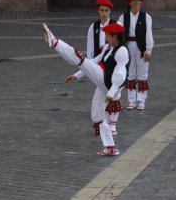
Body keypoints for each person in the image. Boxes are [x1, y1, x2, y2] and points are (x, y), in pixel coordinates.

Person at [43, 22, 130, 156]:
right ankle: (111, 147)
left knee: (80, 58)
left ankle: (55, 42)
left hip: (109, 83)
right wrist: (77, 75)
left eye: (107, 35)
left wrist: (112, 92)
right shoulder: (109, 46)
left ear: (115, 36)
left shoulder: (122, 51)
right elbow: (95, 61)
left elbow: (120, 73)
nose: (105, 38)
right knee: (97, 115)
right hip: (104, 79)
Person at [65, 0, 120, 135]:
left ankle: (112, 124)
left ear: (110, 11)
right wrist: (79, 73)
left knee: (113, 92)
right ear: (98, 11)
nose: (104, 13)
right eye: (101, 10)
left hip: (114, 63)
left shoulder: (116, 26)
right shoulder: (94, 27)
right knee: (102, 92)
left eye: (106, 10)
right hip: (100, 62)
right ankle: (104, 121)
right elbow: (91, 53)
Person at [118, 0, 154, 110]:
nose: (137, 3)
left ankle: (141, 101)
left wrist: (148, 50)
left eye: (139, 1)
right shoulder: (123, 17)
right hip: (128, 47)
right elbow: (119, 34)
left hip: (141, 47)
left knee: (142, 74)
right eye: (134, 1)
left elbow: (149, 35)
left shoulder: (146, 17)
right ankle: (131, 101)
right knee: (130, 74)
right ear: (129, 3)